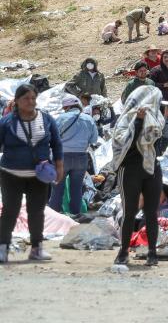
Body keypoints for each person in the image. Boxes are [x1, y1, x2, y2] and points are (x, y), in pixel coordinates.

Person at [0, 84, 63, 263]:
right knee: (10, 211)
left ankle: (37, 248)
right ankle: (2, 248)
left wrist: (59, 166)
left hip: (39, 176)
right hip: (11, 175)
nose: (30, 102)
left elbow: (56, 144)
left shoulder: (47, 119)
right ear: (17, 101)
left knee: (37, 212)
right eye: (26, 98)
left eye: (33, 98)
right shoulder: (6, 123)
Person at [106, 85, 164, 266]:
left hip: (151, 168)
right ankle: (123, 251)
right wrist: (138, 122)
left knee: (151, 213)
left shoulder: (157, 119)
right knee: (130, 211)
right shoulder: (124, 120)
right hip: (130, 169)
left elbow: (158, 144)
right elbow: (123, 143)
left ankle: (152, 252)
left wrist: (147, 122)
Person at [48, 93, 97, 215]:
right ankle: (76, 216)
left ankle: (55, 217)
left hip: (62, 158)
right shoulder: (89, 119)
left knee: (58, 189)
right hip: (81, 158)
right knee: (77, 189)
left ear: (66, 107)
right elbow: (94, 140)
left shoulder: (60, 118)